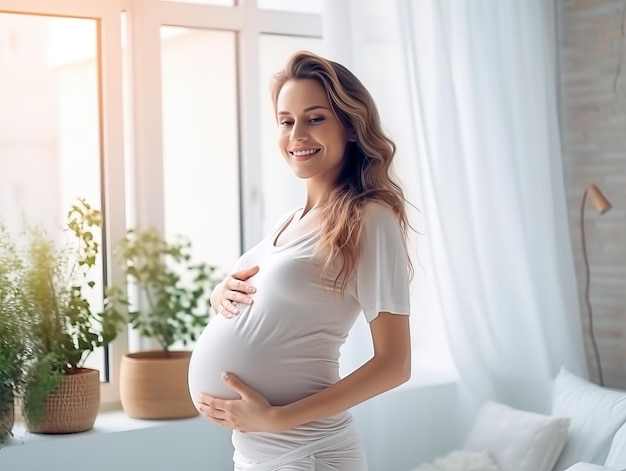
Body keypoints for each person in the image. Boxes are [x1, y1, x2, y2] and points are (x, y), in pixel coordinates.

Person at [188, 50, 413, 471]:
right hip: (255, 454)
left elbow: (395, 364)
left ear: (350, 126)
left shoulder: (370, 219)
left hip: (307, 453)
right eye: (286, 121)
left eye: (315, 118)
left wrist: (277, 418)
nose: (297, 134)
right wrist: (220, 293)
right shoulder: (289, 222)